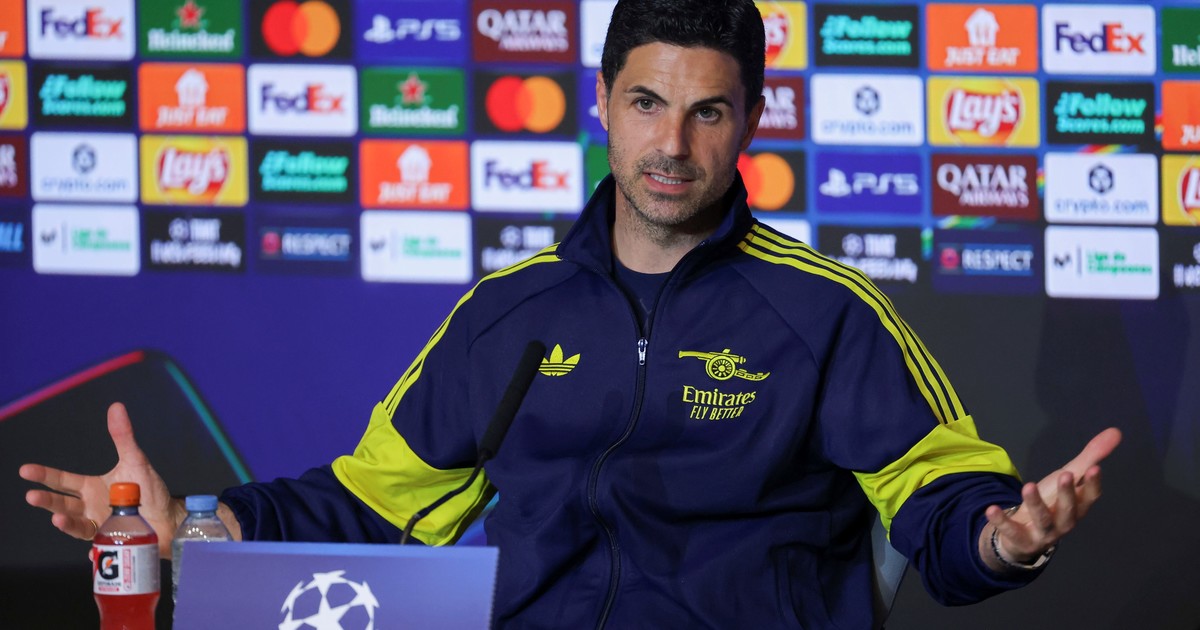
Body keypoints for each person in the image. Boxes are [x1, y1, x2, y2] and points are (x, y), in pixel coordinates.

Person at [20, 0, 1121, 627]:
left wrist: (1002, 538)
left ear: (752, 120)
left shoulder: (825, 313)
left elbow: (940, 498)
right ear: (602, 105)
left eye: (707, 112)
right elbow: (373, 507)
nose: (672, 146)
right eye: (647, 103)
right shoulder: (510, 314)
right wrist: (192, 528)